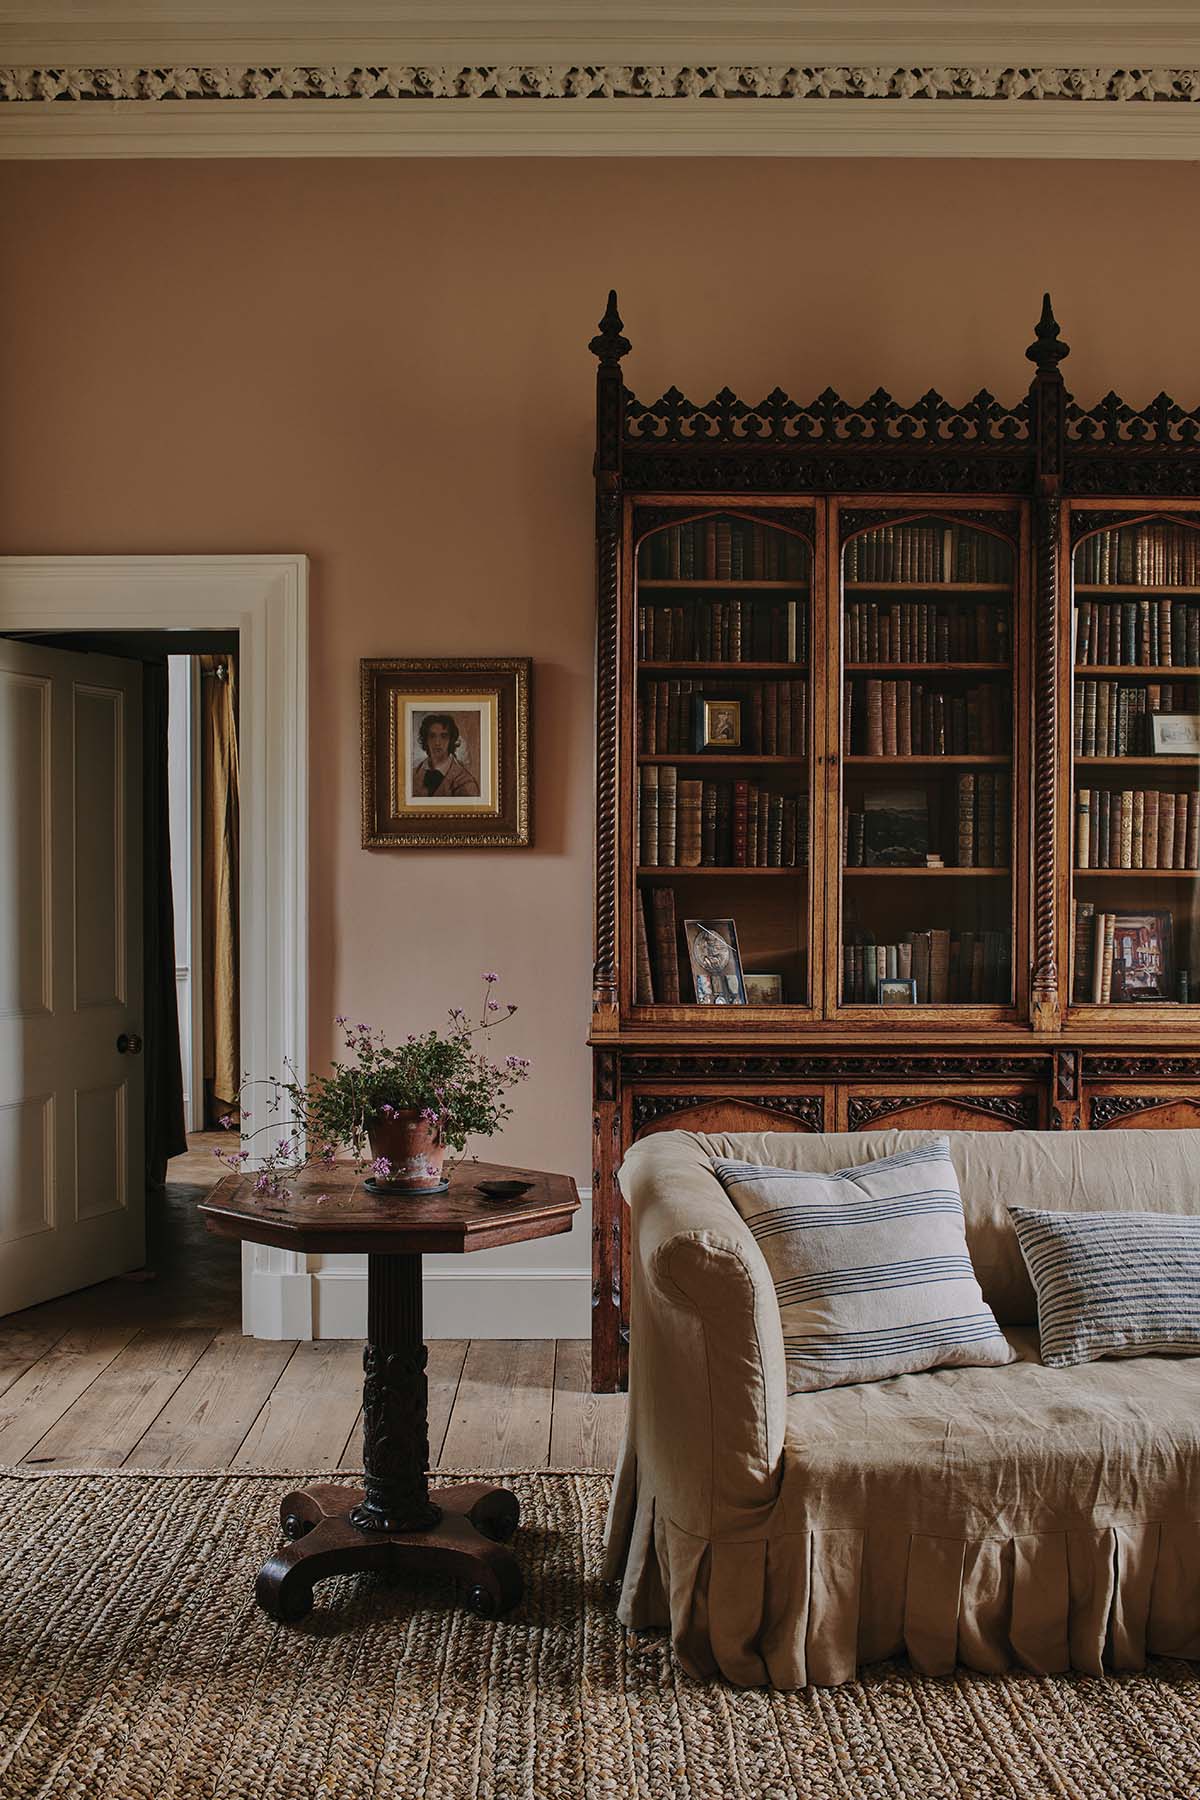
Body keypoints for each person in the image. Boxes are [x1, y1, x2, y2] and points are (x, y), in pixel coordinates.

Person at [412, 712, 480, 798]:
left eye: (443, 736)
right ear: (426, 739)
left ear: (451, 740)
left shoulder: (466, 783)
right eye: (432, 736)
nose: (437, 743)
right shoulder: (413, 775)